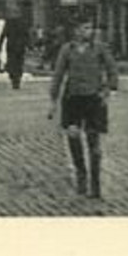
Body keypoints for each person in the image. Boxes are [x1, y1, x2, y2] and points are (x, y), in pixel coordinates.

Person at [48, 18, 119, 199]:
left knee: (94, 141)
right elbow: (58, 75)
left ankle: (95, 183)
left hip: (94, 99)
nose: (89, 31)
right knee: (73, 136)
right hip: (73, 99)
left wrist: (108, 89)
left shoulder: (99, 48)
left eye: (90, 28)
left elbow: (112, 70)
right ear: (76, 30)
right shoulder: (67, 50)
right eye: (85, 28)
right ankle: (81, 172)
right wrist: (53, 100)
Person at [2, 13, 29, 89]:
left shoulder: (9, 23)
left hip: (11, 46)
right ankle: (17, 79)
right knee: (19, 63)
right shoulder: (23, 23)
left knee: (12, 63)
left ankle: (14, 78)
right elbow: (26, 35)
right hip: (20, 46)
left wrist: (0, 44)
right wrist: (28, 44)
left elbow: (3, 34)